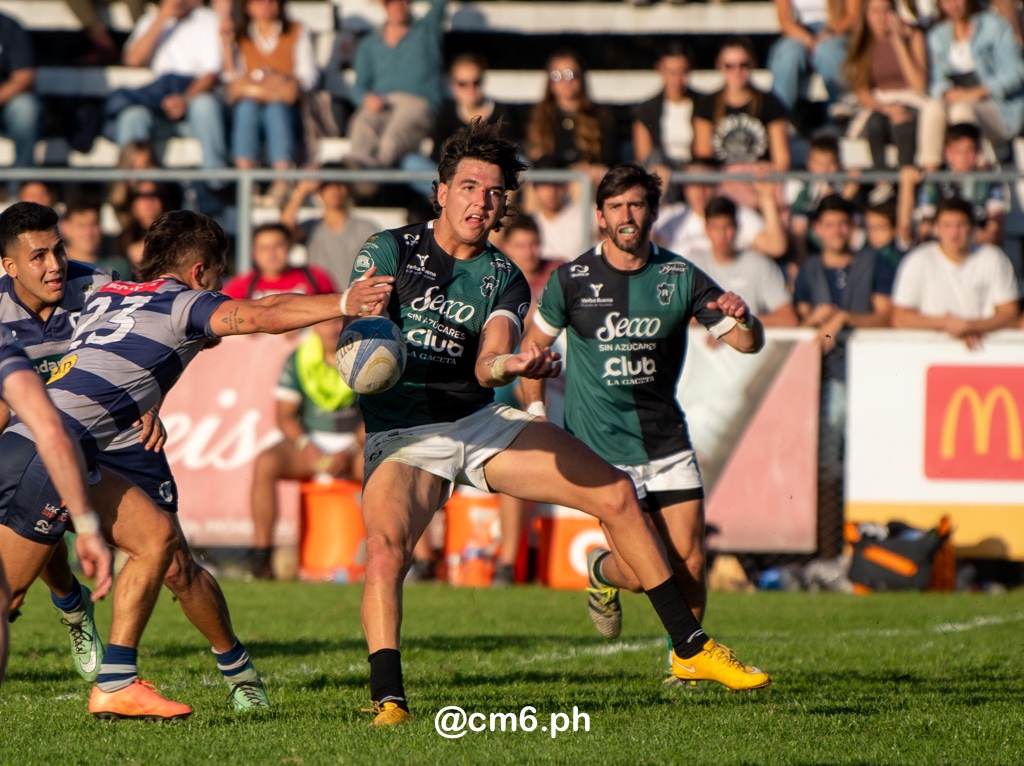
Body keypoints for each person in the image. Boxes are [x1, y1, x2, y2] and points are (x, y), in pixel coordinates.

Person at [343, 122, 770, 727]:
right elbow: (357, 321)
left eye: (492, 193)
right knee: (385, 552)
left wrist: (513, 363)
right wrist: (358, 347)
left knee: (616, 494)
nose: (480, 202)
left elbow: (490, 362)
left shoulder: (504, 277)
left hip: (476, 419)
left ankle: (691, 647)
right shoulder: (389, 248)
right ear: (441, 192)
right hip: (404, 436)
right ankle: (389, 699)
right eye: (468, 187)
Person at [0, 206, 387, 720]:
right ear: (200, 273)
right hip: (46, 449)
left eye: (57, 251)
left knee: (157, 540)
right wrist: (343, 301)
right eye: (218, 277)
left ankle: (118, 681)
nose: (54, 265)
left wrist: (147, 403)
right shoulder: (184, 302)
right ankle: (79, 618)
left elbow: (108, 360)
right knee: (7, 598)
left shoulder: (104, 291)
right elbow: (265, 314)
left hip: (70, 446)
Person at [517, 162, 770, 686]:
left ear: (653, 213)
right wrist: (539, 418)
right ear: (600, 217)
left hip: (666, 441)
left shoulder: (680, 276)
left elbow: (748, 345)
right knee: (638, 571)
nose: (626, 216)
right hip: (601, 450)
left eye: (636, 205)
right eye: (615, 207)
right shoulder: (571, 279)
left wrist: (744, 319)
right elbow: (531, 349)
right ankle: (600, 569)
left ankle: (686, 663)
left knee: (692, 563)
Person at [0, 326, 113, 688]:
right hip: (26, 448)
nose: (54, 266)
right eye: (39, 261)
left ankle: (118, 678)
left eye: (58, 261)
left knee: (167, 554)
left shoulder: (97, 289)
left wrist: (87, 526)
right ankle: (73, 603)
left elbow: (44, 423)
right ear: (9, 266)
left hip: (88, 441)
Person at [793, 194, 896, 556]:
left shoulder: (875, 263)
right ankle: (828, 547)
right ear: (818, 229)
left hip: (871, 376)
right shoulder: (809, 271)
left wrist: (847, 317)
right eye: (830, 224)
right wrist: (816, 320)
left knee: (867, 456)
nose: (837, 231)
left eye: (843, 223)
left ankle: (867, 545)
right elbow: (803, 325)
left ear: (853, 227)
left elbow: (886, 316)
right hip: (824, 379)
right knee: (828, 456)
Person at [249, 317, 363, 579]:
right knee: (266, 463)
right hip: (313, 444)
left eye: (340, 322)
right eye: (326, 323)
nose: (333, 329)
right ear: (314, 327)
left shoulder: (365, 356)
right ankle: (261, 557)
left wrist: (349, 451)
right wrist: (309, 448)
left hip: (357, 445)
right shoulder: (299, 359)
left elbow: (376, 416)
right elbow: (285, 417)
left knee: (391, 470)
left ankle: (413, 560)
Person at [110, 0, 227, 213]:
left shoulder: (208, 20)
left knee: (205, 105)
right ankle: (131, 190)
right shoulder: (153, 19)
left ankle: (215, 184)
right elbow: (133, 59)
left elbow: (212, 72)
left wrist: (186, 98)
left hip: (194, 105)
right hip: (159, 106)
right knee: (132, 116)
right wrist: (162, 17)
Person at [222, 0, 319, 207]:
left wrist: (273, 83)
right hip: (254, 105)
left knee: (276, 109)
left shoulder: (296, 31)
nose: (265, 5)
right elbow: (233, 80)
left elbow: (307, 77)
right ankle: (246, 178)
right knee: (246, 108)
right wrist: (270, 87)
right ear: (248, 7)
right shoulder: (240, 36)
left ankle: (282, 181)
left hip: (288, 108)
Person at [892, 194, 1020, 348]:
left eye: (961, 225)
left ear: (972, 227)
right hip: (929, 354)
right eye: (947, 225)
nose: (954, 233)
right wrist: (945, 323)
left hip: (986, 353)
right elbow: (900, 318)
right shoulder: (917, 260)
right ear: (937, 228)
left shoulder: (993, 258)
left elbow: (1010, 314)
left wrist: (970, 326)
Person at [345, 0, 445, 170]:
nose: (398, 5)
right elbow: (359, 86)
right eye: (391, 1)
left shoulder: (427, 31)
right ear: (384, 5)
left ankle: (368, 181)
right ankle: (362, 179)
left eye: (404, 1)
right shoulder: (369, 43)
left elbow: (439, 3)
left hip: (417, 103)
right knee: (361, 125)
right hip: (382, 104)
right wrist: (365, 98)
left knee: (391, 140)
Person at [692, 37, 790, 210]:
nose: (737, 71)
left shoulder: (769, 103)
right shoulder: (707, 104)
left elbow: (781, 159)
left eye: (743, 64)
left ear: (752, 64)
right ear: (720, 66)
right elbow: (703, 155)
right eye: (729, 65)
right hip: (721, 183)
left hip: (759, 183)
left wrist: (757, 175)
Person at [844, 0, 942, 171]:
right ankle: (882, 180)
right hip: (881, 104)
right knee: (876, 122)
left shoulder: (913, 36)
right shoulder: (862, 43)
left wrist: (898, 43)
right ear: (866, 15)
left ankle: (907, 177)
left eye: (886, 11)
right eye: (875, 12)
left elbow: (919, 86)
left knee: (903, 122)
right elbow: (862, 91)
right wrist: (887, 108)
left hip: (913, 101)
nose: (881, 18)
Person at [400, 53, 514, 199]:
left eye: (476, 82)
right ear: (452, 85)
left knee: (520, 165)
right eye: (463, 84)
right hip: (452, 176)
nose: (470, 89)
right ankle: (452, 200)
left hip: (489, 177)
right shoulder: (446, 113)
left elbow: (510, 153)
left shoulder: (501, 112)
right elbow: (437, 156)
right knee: (411, 163)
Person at [926, 0, 1024, 156]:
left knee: (962, 111)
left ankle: (973, 172)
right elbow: (937, 82)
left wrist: (980, 91)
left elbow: (1017, 72)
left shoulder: (994, 26)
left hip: (1000, 106)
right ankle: (929, 171)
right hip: (958, 99)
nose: (953, 5)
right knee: (932, 108)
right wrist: (947, 92)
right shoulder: (937, 36)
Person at [654, 158, 788, 263]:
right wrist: (654, 198)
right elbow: (646, 251)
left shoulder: (737, 214)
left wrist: (767, 196)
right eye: (693, 183)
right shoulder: (671, 216)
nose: (700, 190)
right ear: (684, 186)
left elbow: (776, 247)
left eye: (707, 183)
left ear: (717, 184)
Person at [695, 196, 799, 327]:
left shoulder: (761, 265)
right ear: (706, 229)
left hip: (750, 345)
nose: (722, 235)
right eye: (715, 228)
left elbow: (789, 319)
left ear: (737, 227)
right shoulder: (693, 265)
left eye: (727, 227)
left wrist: (734, 324)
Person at [280, 166, 380, 289]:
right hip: (320, 301)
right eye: (328, 185)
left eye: (340, 184)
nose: (335, 190)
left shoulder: (366, 228)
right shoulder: (311, 227)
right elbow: (282, 233)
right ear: (319, 191)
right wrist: (302, 190)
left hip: (356, 299)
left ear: (347, 189)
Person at [524, 50, 618, 179]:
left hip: (587, 183)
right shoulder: (540, 116)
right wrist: (567, 171)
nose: (565, 82)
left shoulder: (600, 115)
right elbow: (536, 160)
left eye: (571, 74)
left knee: (580, 183)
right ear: (549, 82)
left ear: (581, 77)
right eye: (556, 75)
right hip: (550, 184)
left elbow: (609, 159)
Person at [915, 122, 1008, 246]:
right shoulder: (935, 180)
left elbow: (994, 231)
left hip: (977, 250)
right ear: (948, 152)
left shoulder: (989, 179)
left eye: (970, 150)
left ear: (978, 151)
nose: (965, 157)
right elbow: (925, 228)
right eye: (959, 151)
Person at [767, 0, 856, 116]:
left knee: (828, 51)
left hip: (836, 29)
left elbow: (853, 16)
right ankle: (779, 119)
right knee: (789, 53)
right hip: (798, 31)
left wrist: (829, 33)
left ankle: (841, 117)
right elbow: (785, 19)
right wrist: (806, 38)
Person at [222, 222, 337, 299]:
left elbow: (337, 315)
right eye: (264, 248)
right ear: (254, 252)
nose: (271, 253)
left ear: (289, 247)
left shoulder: (316, 277)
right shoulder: (240, 286)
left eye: (278, 246)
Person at [631, 41, 700, 171]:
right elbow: (644, 157)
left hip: (693, 173)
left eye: (683, 72)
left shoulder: (702, 105)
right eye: (672, 72)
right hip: (662, 172)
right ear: (660, 70)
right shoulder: (645, 111)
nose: (677, 80)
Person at [0, 12, 39, 189]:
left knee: (26, 108)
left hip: (6, 103)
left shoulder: (8, 27)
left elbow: (24, 77)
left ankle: (20, 190)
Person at [61, 195, 133, 279]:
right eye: (80, 225)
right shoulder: (58, 268)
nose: (88, 232)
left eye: (93, 224)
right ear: (65, 228)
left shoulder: (120, 268)